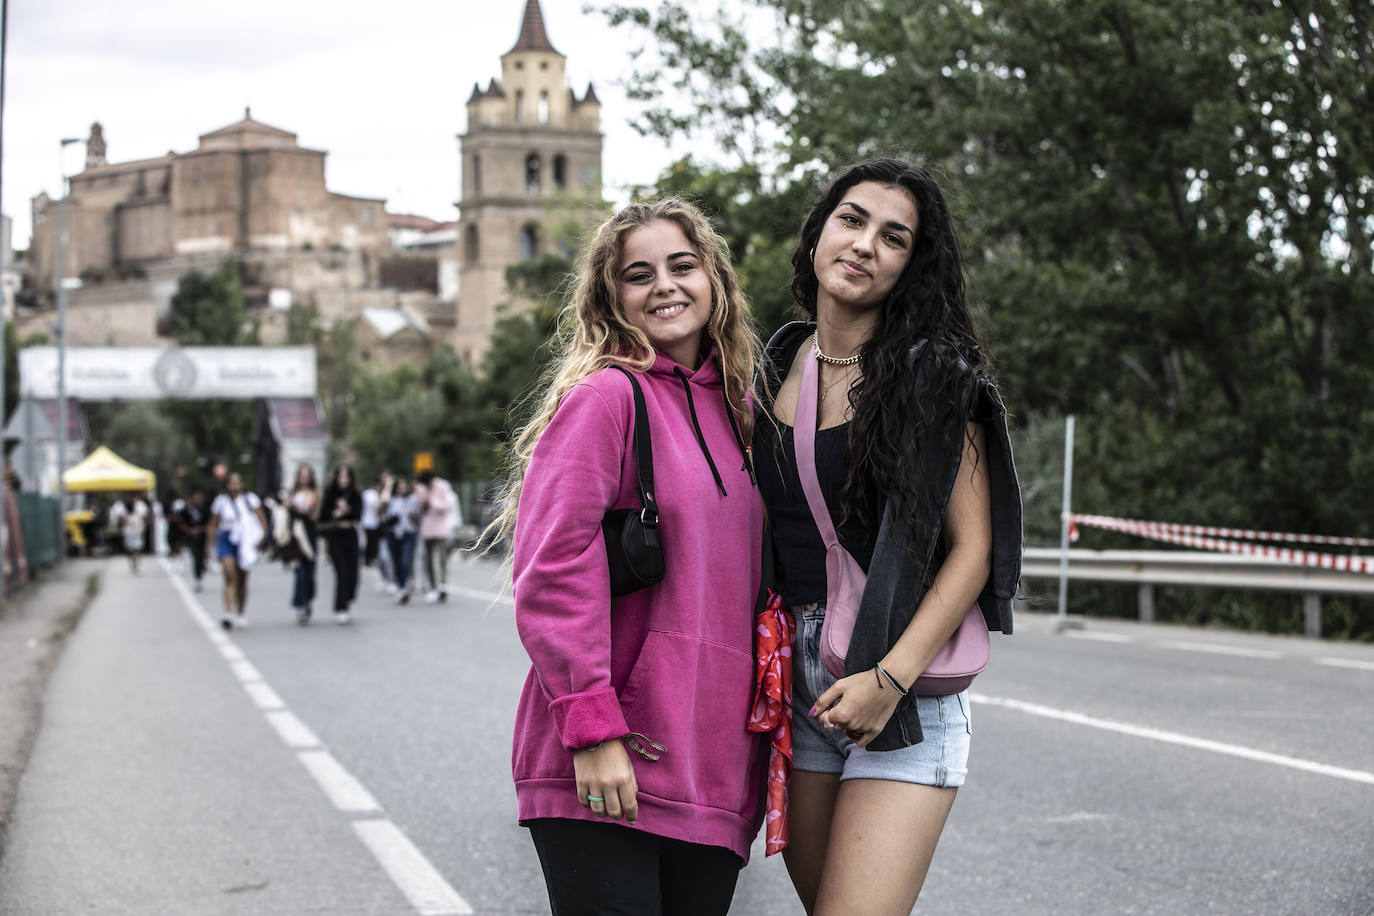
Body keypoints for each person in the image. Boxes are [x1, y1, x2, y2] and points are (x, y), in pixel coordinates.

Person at [752, 157, 1022, 915]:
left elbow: (973, 548)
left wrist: (890, 679)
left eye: (893, 237)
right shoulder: (779, 358)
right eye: (852, 219)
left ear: (911, 265)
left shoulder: (930, 374)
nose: (865, 244)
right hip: (799, 685)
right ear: (818, 235)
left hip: (900, 688)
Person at [489, 199, 767, 915]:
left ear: (714, 278)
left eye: (683, 265)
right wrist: (592, 731)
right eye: (638, 275)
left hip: (711, 768)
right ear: (612, 298)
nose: (665, 286)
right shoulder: (605, 399)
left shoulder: (745, 414)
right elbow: (551, 573)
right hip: (612, 755)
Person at [206, 472, 269, 631]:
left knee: (242, 579)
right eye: (231, 482)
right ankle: (228, 613)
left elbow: (262, 521)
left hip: (245, 541)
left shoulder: (250, 500)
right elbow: (212, 524)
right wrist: (208, 546)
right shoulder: (221, 502)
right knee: (229, 575)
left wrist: (261, 540)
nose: (234, 485)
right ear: (227, 485)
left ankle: (241, 612)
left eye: (237, 482)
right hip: (227, 538)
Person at [318, 463, 363, 624]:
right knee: (342, 572)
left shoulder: (355, 495)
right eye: (341, 476)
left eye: (346, 476)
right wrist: (335, 513)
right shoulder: (330, 495)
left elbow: (358, 515)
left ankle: (348, 598)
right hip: (335, 536)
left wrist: (347, 510)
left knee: (353, 573)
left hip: (350, 534)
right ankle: (340, 608)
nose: (343, 480)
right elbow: (322, 518)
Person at [414, 469, 456, 603]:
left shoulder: (443, 486)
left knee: (442, 558)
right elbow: (419, 509)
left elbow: (447, 505)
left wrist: (433, 501)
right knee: (428, 559)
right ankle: (433, 587)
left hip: (441, 528)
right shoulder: (421, 489)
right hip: (427, 529)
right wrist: (424, 502)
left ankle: (443, 585)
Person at [287, 464, 321, 625]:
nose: (304, 477)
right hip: (296, 533)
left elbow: (316, 516)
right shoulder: (293, 493)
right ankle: (300, 603)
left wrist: (305, 511)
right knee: (299, 570)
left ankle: (308, 599)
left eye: (307, 475)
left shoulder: (315, 494)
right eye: (302, 474)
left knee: (310, 570)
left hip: (310, 532)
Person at [382, 476, 419, 603]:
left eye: (404, 486)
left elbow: (418, 520)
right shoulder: (391, 500)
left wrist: (412, 515)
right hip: (393, 534)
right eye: (399, 486)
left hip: (408, 534)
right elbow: (383, 503)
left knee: (405, 561)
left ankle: (404, 586)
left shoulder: (411, 500)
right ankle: (400, 586)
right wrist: (387, 485)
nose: (402, 489)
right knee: (396, 561)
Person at [175, 488, 210, 591]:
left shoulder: (205, 510)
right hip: (190, 537)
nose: (198, 500)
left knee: (202, 557)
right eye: (196, 498)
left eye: (200, 498)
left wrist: (200, 530)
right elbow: (180, 522)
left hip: (202, 536)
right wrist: (190, 531)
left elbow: (209, 524)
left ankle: (201, 571)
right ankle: (197, 578)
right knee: (196, 556)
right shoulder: (187, 510)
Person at [108, 494, 149, 574]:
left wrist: (143, 527)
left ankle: (137, 564)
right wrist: (127, 522)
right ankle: (133, 563)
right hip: (129, 530)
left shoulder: (140, 506)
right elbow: (121, 518)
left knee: (137, 547)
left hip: (137, 529)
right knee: (130, 548)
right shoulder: (124, 507)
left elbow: (144, 517)